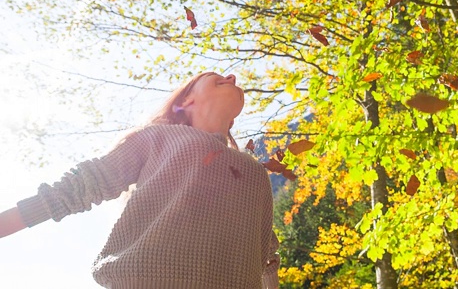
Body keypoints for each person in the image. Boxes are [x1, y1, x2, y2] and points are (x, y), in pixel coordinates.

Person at [0, 72, 280, 288]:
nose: (232, 78)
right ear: (186, 101)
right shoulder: (158, 138)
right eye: (215, 78)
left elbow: (266, 254)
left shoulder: (254, 172)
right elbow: (78, 187)